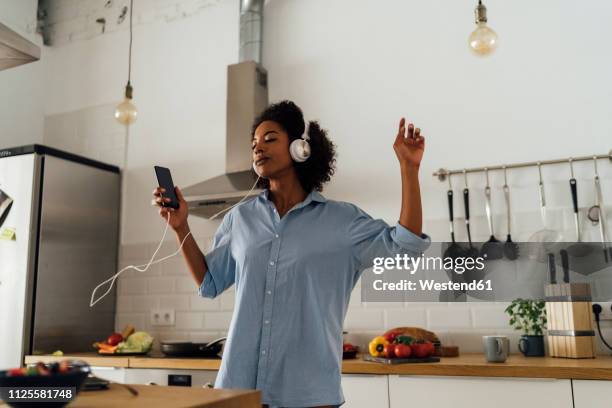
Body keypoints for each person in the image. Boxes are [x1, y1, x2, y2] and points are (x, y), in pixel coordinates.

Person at [153, 100, 430, 408]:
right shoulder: (240, 219)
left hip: (308, 394)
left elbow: (405, 246)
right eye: (254, 144)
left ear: (302, 148)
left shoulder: (342, 221)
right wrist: (181, 228)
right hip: (237, 390)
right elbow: (210, 282)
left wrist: (409, 169)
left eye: (270, 138)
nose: (258, 148)